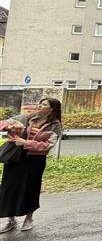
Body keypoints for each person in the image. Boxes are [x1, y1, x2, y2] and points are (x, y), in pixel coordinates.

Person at [0, 98, 63, 233]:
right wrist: (9, 127)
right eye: (40, 103)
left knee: (31, 189)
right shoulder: (27, 117)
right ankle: (10, 220)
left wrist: (26, 143)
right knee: (9, 188)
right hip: (16, 158)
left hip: (35, 161)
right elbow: (4, 123)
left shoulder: (55, 125)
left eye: (44, 104)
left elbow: (48, 145)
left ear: (52, 109)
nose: (39, 106)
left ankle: (29, 218)